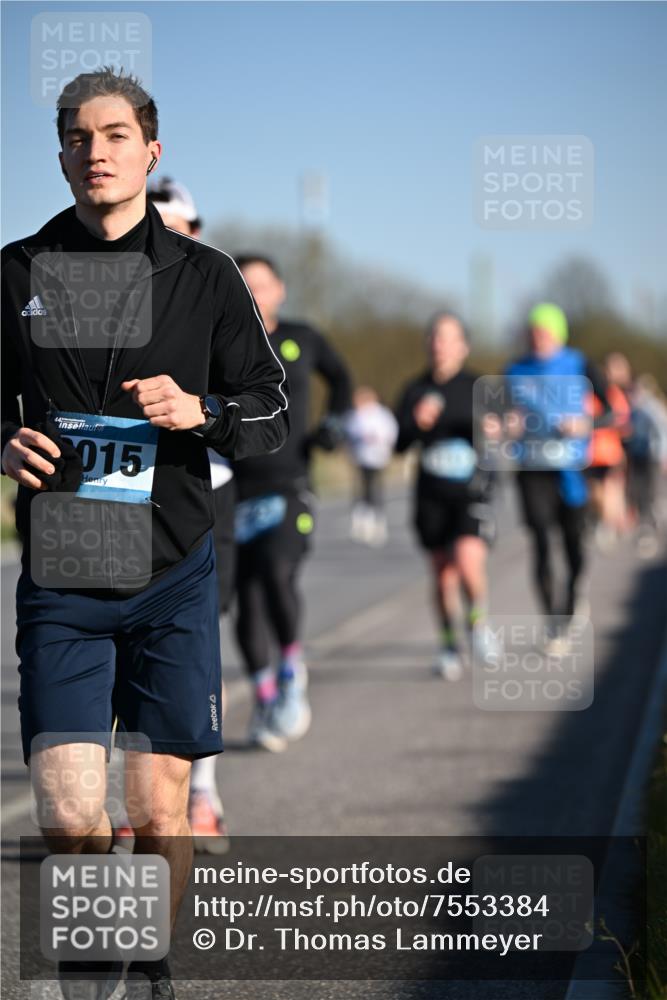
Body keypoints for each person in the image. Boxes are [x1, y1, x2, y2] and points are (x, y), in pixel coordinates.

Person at [1, 69, 288, 999]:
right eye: (80, 138)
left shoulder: (206, 278)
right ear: (60, 157)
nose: (97, 153)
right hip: (62, 578)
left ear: (150, 152)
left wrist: (200, 410)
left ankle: (152, 963)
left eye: (116, 135)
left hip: (172, 573)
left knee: (158, 808)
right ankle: (99, 977)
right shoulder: (15, 273)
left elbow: (270, 413)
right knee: (69, 811)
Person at [231, 254, 352, 751]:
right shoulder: (224, 342)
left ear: (280, 289)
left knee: (277, 573)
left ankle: (290, 671)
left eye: (263, 285)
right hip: (235, 488)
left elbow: (342, 381)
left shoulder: (303, 337)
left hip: (289, 482)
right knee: (246, 603)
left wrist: (332, 425)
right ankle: (264, 696)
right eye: (246, 286)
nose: (256, 294)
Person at [503, 303, 612, 650]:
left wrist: (586, 424)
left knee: (573, 546)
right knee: (540, 542)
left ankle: (574, 593)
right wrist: (506, 424)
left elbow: (613, 412)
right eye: (533, 332)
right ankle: (555, 623)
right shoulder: (513, 371)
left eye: (545, 332)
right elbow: (495, 416)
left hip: (572, 470)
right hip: (532, 469)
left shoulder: (579, 364)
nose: (538, 338)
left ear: (559, 334)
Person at [395, 312, 496, 681]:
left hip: (471, 492)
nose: (440, 344)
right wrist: (414, 423)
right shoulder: (414, 389)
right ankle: (449, 643)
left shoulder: (479, 387)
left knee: (469, 561)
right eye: (435, 337)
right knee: (442, 576)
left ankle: (479, 624)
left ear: (463, 346)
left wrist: (493, 429)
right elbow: (399, 443)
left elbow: (503, 438)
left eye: (448, 337)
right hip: (430, 494)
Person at [344, 386, 398, 546]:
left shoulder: (381, 415)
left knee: (375, 489)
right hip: (360, 458)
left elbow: (390, 433)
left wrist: (382, 445)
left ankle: (378, 523)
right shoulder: (355, 415)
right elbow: (349, 433)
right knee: (361, 490)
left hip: (377, 458)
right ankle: (360, 523)